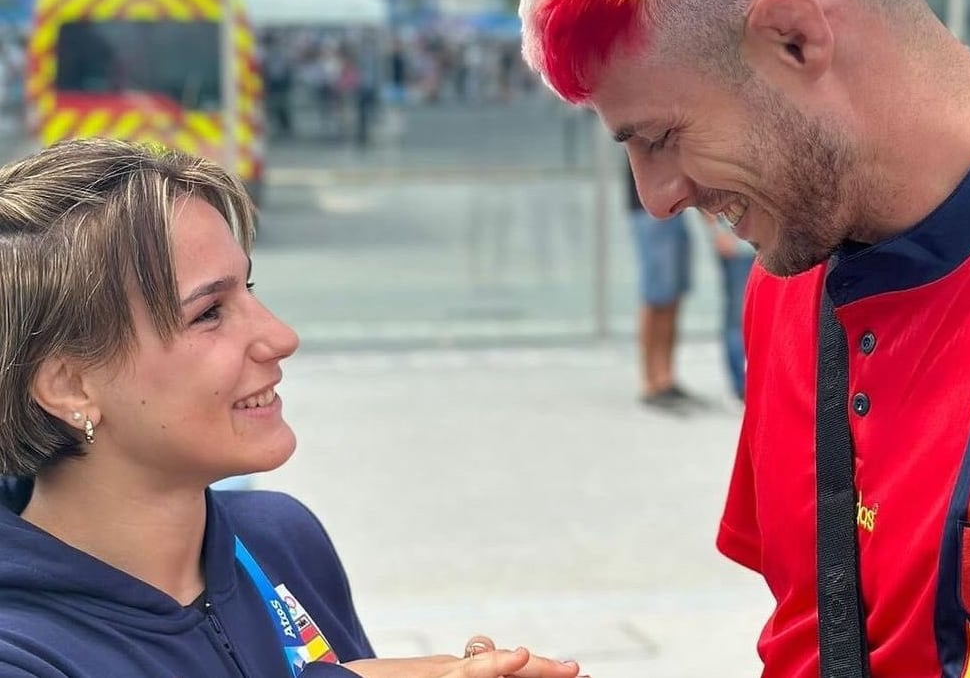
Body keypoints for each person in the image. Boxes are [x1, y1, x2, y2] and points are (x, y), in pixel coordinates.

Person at [519, 0, 970, 676]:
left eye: (659, 136)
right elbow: (807, 633)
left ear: (795, 37)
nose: (654, 198)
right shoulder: (787, 284)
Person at [0, 137, 584, 678]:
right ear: (70, 387)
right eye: (208, 313)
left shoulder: (281, 538)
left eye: (247, 290)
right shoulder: (24, 650)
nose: (280, 336)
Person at [624, 154, 699, 413]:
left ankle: (666, 376)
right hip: (649, 212)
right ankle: (651, 381)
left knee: (672, 294)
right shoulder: (640, 122)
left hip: (673, 211)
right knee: (656, 295)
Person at [701, 214, 756, 403]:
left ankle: (760, 383)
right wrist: (716, 231)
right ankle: (742, 387)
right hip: (736, 246)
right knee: (737, 315)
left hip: (767, 243)